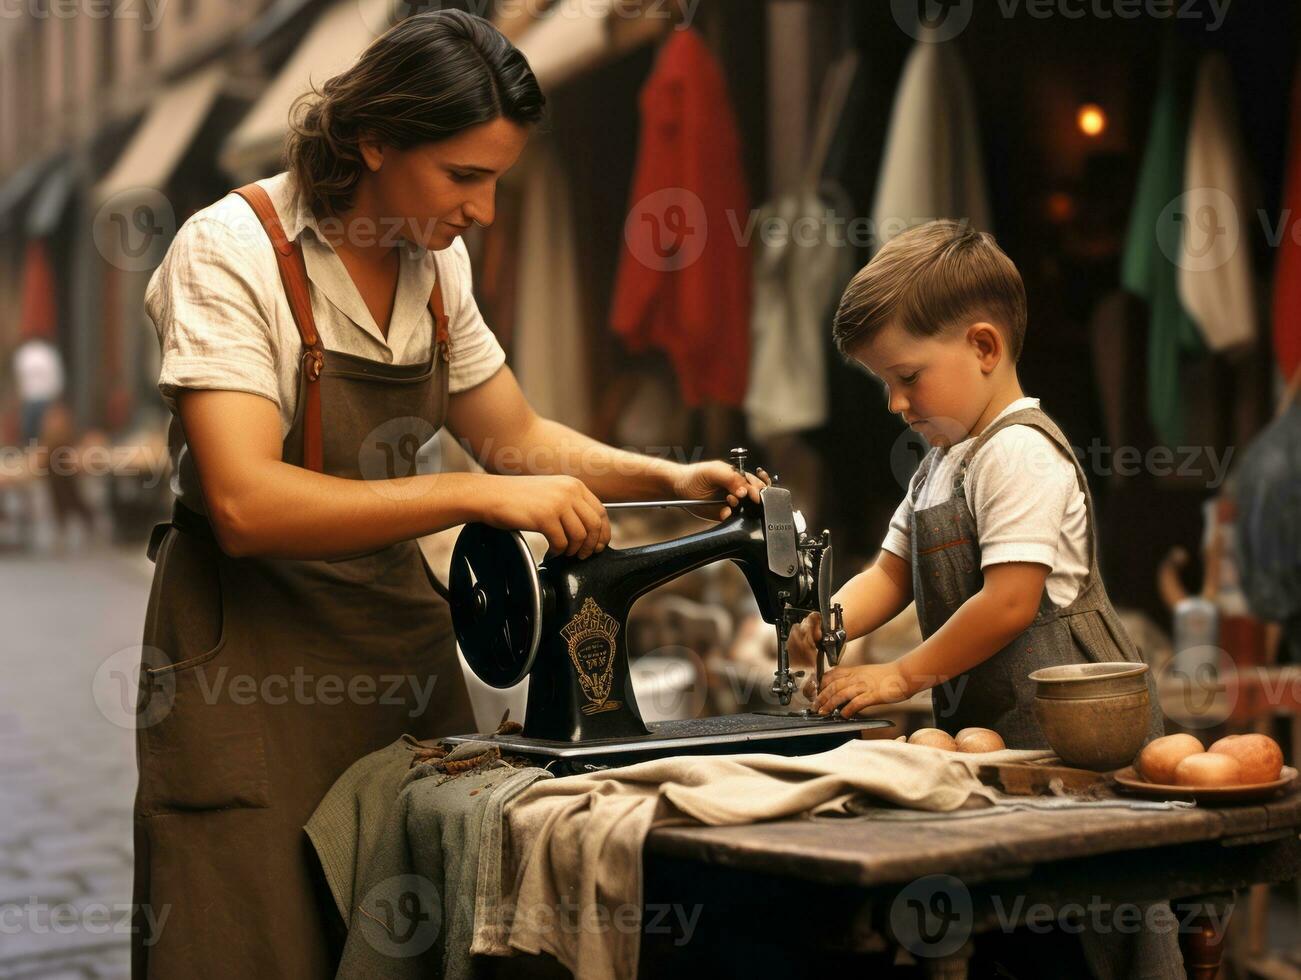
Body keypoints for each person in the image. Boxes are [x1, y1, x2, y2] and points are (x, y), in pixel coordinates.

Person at [131, 12, 766, 978]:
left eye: (496, 178)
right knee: (250, 940)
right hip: (245, 663)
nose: (486, 210)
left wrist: (670, 478)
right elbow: (245, 504)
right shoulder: (231, 251)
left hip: (394, 652)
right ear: (374, 140)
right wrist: (471, 494)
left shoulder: (437, 267)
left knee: (415, 943)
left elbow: (514, 439)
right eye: (464, 177)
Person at [788, 220, 1163, 746]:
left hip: (1080, 736)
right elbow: (891, 577)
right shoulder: (938, 467)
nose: (895, 404)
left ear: (984, 347)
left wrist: (898, 675)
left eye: (909, 377)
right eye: (886, 384)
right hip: (1001, 734)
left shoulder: (1019, 452)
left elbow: (1009, 604)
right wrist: (830, 623)